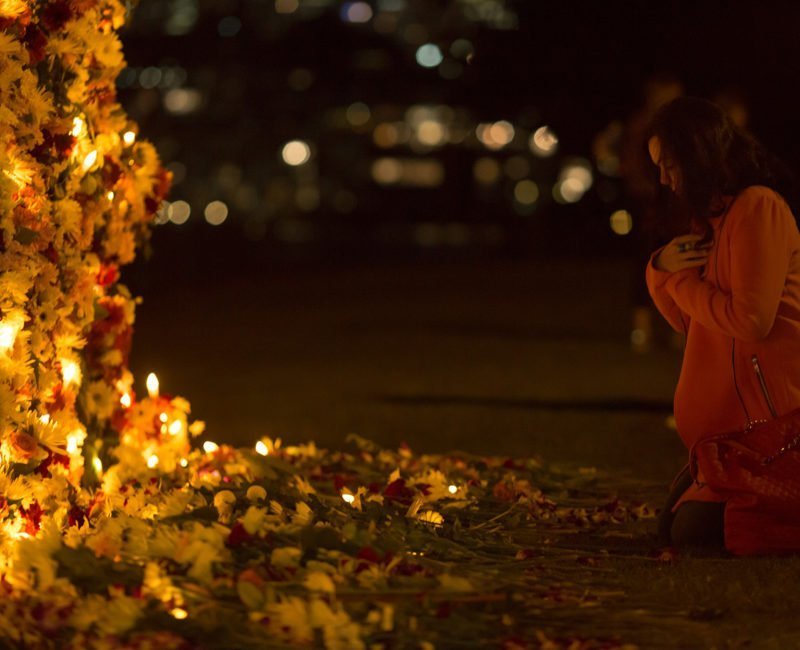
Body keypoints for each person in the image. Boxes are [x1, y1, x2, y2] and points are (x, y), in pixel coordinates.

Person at [645, 96, 800, 554]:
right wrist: (660, 269)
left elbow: (750, 321)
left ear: (697, 157)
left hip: (767, 438)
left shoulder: (758, 209)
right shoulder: (711, 220)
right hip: (724, 447)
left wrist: (679, 280)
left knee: (691, 534)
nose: (664, 179)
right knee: (674, 529)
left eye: (669, 164)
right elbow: (683, 317)